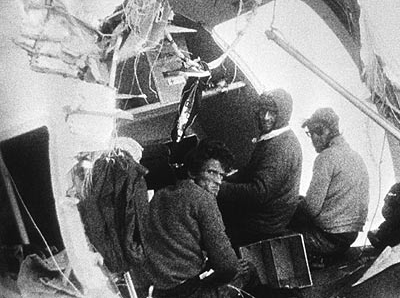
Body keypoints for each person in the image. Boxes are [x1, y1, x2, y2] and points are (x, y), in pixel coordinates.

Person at [142, 141, 254, 298]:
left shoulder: (161, 194)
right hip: (185, 290)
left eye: (221, 175)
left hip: (156, 287)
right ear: (193, 172)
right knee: (246, 272)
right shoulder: (203, 199)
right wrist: (223, 274)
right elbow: (228, 267)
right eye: (211, 172)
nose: (218, 181)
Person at [218, 88, 303, 247]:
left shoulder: (281, 148)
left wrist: (219, 188)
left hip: (264, 223)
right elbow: (251, 171)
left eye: (272, 113)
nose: (265, 117)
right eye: (263, 110)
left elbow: (259, 192)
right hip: (268, 215)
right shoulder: (277, 138)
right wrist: (224, 178)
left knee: (212, 222)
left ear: (283, 115)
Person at [290, 107, 369, 264]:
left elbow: (311, 209)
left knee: (275, 230)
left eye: (318, 131)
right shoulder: (355, 156)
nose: (313, 137)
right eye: (311, 132)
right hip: (350, 235)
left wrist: (289, 207)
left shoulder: (326, 158)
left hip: (329, 237)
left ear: (331, 131)